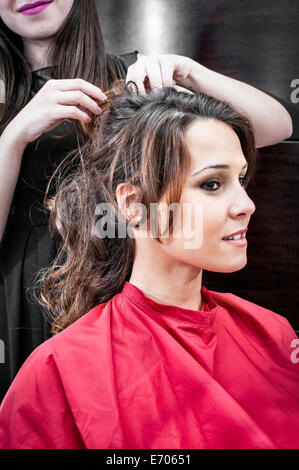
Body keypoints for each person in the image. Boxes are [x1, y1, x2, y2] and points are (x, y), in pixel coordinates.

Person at [0, 0, 293, 403]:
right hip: (24, 296)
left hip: (121, 278)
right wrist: (14, 136)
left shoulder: (130, 78)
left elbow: (275, 125)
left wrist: (191, 72)